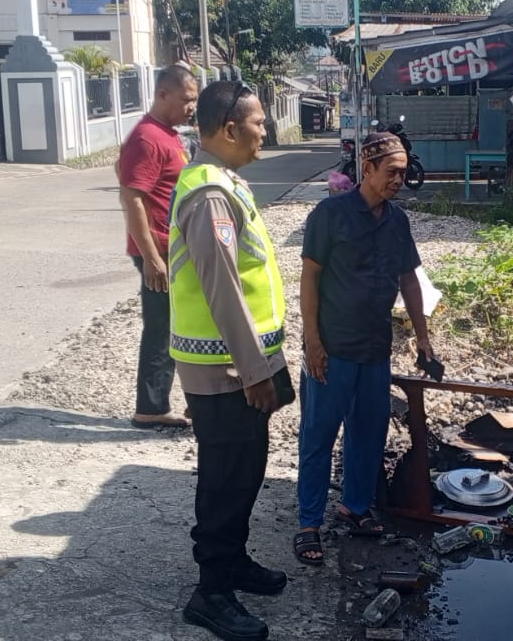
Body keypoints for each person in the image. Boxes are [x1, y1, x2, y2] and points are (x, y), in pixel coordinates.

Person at [171, 80, 294, 641]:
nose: (265, 131)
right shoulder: (209, 194)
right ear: (228, 129)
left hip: (240, 362)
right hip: (225, 369)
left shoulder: (224, 182)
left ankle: (234, 561)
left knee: (246, 470)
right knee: (224, 478)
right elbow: (221, 288)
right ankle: (211, 592)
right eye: (259, 122)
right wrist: (254, 371)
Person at [293, 132, 435, 565]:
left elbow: (410, 280)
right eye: (391, 172)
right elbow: (310, 279)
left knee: (369, 433)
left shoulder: (397, 221)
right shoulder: (329, 215)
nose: (399, 179)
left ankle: (354, 507)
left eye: (403, 172)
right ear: (367, 169)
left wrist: (423, 338)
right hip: (333, 347)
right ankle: (308, 523)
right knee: (319, 435)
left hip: (375, 347)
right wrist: (312, 341)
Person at [117, 65, 198, 428]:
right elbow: (132, 197)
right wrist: (151, 258)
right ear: (163, 95)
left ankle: (165, 403)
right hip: (159, 252)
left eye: (194, 100)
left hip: (172, 250)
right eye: (186, 99)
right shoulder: (147, 137)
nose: (191, 106)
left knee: (175, 325)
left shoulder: (168, 135)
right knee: (162, 328)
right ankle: (150, 408)